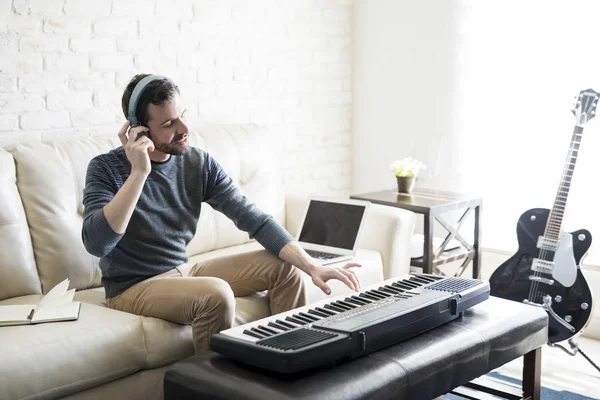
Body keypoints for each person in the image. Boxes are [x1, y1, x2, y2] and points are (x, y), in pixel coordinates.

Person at [81, 73, 362, 354]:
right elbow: (97, 243)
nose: (183, 129)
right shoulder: (106, 168)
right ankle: (217, 386)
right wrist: (139, 173)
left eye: (182, 116)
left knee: (285, 267)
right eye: (168, 124)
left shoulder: (198, 163)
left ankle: (291, 361)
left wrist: (312, 265)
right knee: (216, 295)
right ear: (138, 130)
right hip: (132, 288)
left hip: (185, 271)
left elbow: (255, 219)